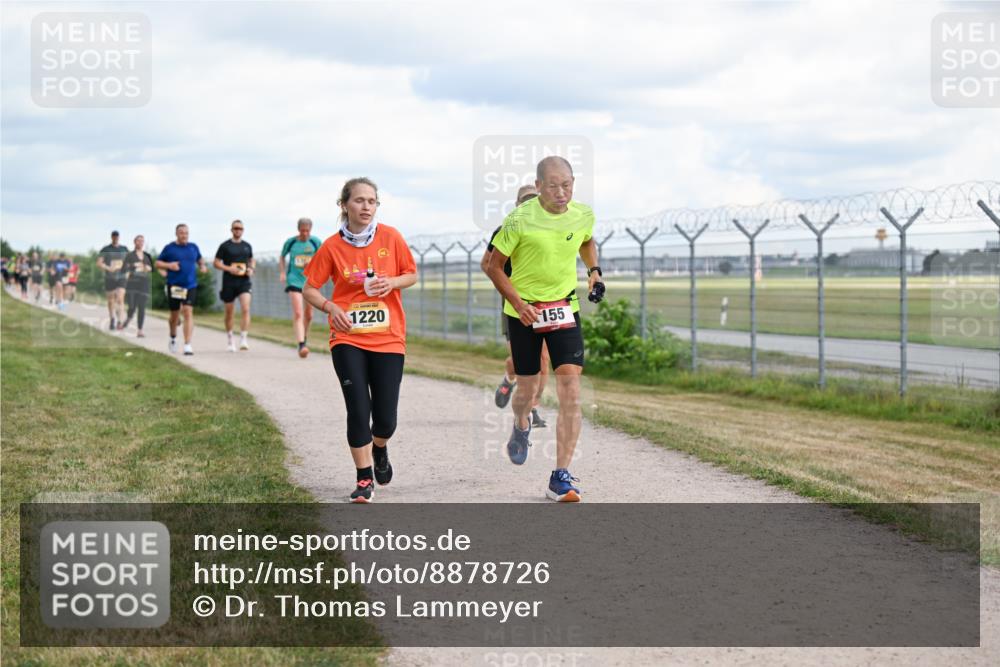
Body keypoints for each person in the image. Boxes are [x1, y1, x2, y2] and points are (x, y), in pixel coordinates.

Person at [486, 156, 603, 503]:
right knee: (528, 390)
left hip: (564, 308)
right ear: (538, 187)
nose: (560, 192)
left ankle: (560, 475)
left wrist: (594, 270)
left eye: (566, 185)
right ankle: (521, 423)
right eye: (552, 186)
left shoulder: (582, 213)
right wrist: (519, 304)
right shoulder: (519, 219)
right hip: (524, 314)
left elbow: (585, 240)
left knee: (570, 383)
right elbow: (493, 266)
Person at [302, 177, 417, 503]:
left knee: (385, 419)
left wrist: (391, 282)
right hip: (347, 337)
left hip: (388, 337)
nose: (366, 207)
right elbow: (309, 288)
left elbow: (411, 273)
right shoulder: (331, 247)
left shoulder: (390, 237)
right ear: (344, 205)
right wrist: (330, 305)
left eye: (372, 201)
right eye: (359, 201)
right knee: (357, 408)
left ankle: (379, 448)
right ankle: (364, 478)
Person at [481, 184, 549, 427]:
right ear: (518, 204)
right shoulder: (506, 229)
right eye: (525, 200)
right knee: (519, 360)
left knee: (543, 359)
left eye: (535, 199)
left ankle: (533, 409)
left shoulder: (549, 228)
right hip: (515, 304)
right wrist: (507, 289)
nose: (530, 203)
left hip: (545, 301)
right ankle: (509, 379)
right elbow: (486, 263)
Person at [155, 224, 208, 355]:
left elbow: (200, 260)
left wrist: (202, 266)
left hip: (190, 285)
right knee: (174, 316)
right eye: (181, 233)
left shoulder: (193, 247)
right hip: (174, 286)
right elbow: (157, 263)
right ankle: (173, 337)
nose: (184, 235)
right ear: (176, 234)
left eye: (186, 233)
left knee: (188, 311)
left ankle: (187, 344)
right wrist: (169, 265)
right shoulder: (169, 248)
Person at [280, 218, 323, 358]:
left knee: (309, 315)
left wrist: (314, 267)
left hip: (310, 283)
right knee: (298, 313)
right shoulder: (291, 242)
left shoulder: (315, 242)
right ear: (298, 229)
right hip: (294, 280)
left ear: (311, 230)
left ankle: (304, 338)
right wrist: (282, 272)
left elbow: (323, 258)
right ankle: (301, 345)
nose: (305, 233)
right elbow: (282, 256)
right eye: (302, 230)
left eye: (307, 231)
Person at [213, 219, 255, 352]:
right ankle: (230, 339)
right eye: (236, 228)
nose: (238, 230)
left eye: (240, 228)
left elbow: (251, 259)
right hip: (229, 282)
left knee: (246, 308)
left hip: (244, 281)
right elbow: (216, 262)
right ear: (231, 230)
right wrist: (229, 268)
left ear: (243, 230)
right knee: (229, 312)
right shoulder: (225, 246)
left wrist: (251, 268)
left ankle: (243, 338)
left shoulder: (247, 246)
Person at [122, 235, 154, 337]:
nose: (140, 243)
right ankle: (129, 317)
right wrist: (133, 265)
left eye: (142, 241)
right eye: (138, 241)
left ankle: (140, 330)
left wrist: (146, 267)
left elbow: (152, 269)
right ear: (134, 242)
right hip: (132, 284)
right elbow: (123, 269)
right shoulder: (129, 255)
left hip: (144, 284)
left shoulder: (147, 256)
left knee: (142, 307)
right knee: (132, 306)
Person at [97, 231, 128, 330]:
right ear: (111, 237)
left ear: (119, 237)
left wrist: (128, 272)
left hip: (122, 277)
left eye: (117, 236)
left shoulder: (124, 249)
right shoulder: (106, 249)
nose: (116, 238)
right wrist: (108, 268)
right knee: (111, 300)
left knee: (120, 298)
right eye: (114, 236)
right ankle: (112, 319)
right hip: (110, 277)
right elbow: (99, 263)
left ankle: (120, 321)